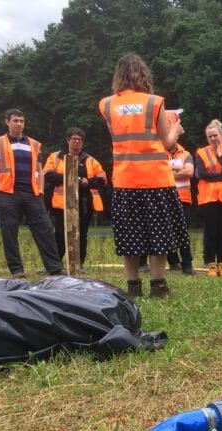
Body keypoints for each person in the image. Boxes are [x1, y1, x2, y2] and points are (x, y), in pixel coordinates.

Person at [98, 53, 188, 298]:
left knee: (130, 236)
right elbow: (166, 142)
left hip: (125, 179)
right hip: (156, 179)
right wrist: (176, 131)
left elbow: (117, 137)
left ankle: (132, 287)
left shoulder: (107, 105)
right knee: (158, 235)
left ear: (119, 76)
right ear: (144, 74)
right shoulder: (154, 102)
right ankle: (158, 286)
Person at [0, 109, 65, 278]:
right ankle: (17, 270)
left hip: (32, 193)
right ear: (7, 122)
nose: (19, 124)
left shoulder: (34, 144)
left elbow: (40, 170)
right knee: (9, 231)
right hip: (8, 192)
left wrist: (40, 191)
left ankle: (55, 268)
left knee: (44, 228)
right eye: (15, 120)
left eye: (21, 121)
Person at [42, 127, 107, 269]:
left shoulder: (90, 160)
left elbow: (102, 178)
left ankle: (79, 264)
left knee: (81, 234)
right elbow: (47, 175)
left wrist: (87, 182)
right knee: (60, 234)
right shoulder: (56, 157)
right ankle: (56, 264)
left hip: (84, 203)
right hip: (61, 203)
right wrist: (68, 177)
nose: (77, 142)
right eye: (74, 139)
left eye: (80, 140)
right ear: (68, 140)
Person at [195, 119, 222, 277]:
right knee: (211, 232)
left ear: (221, 135)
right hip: (208, 198)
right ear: (207, 138)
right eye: (210, 136)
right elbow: (202, 174)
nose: (213, 139)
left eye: (215, 135)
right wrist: (221, 175)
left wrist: (220, 156)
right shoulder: (201, 152)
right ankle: (211, 265)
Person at [165, 131, 195, 275]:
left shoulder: (186, 154)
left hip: (183, 198)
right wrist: (178, 168)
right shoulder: (158, 153)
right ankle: (173, 262)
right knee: (165, 230)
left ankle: (187, 265)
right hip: (163, 198)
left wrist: (167, 171)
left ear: (176, 136)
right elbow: (156, 171)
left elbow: (189, 172)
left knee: (182, 232)